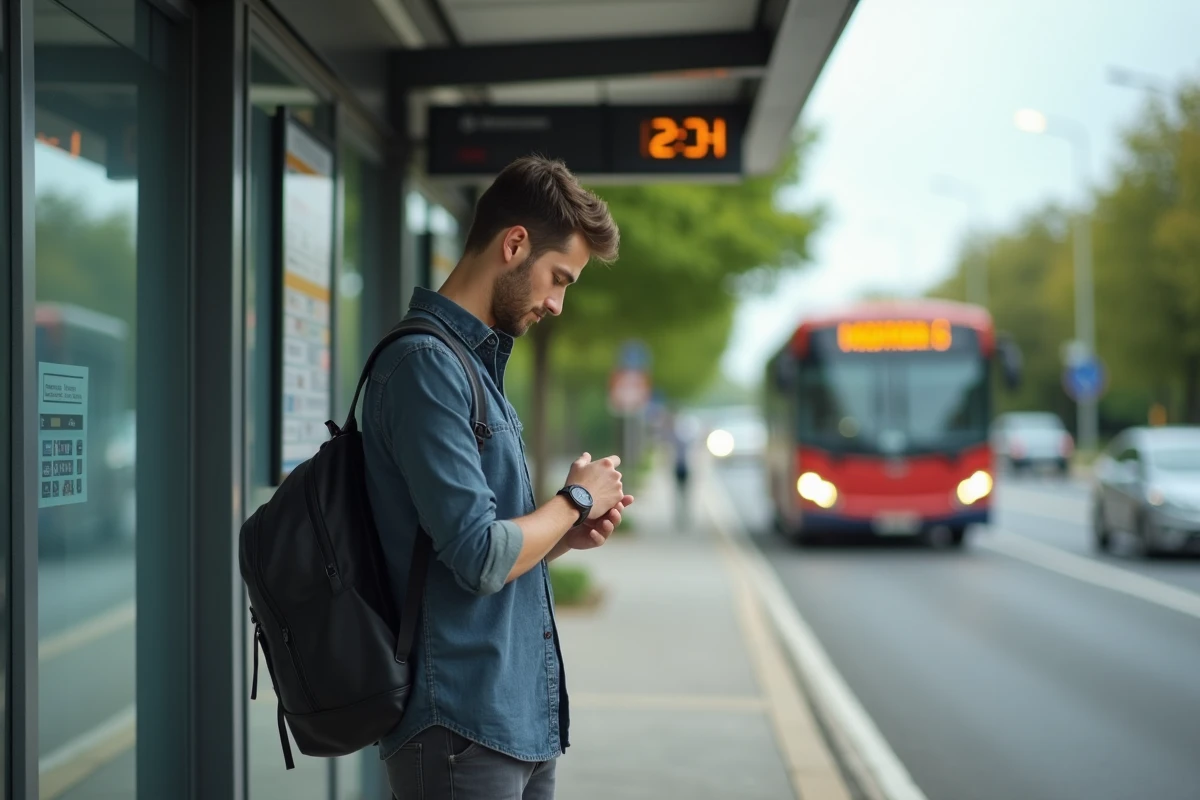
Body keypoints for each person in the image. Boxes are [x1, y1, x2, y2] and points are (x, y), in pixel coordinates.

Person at [362, 155, 634, 800]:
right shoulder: (427, 365)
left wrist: (563, 534)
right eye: (558, 278)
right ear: (515, 244)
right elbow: (480, 558)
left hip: (512, 719)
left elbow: (467, 544)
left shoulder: (473, 366)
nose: (558, 304)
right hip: (460, 724)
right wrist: (573, 499)